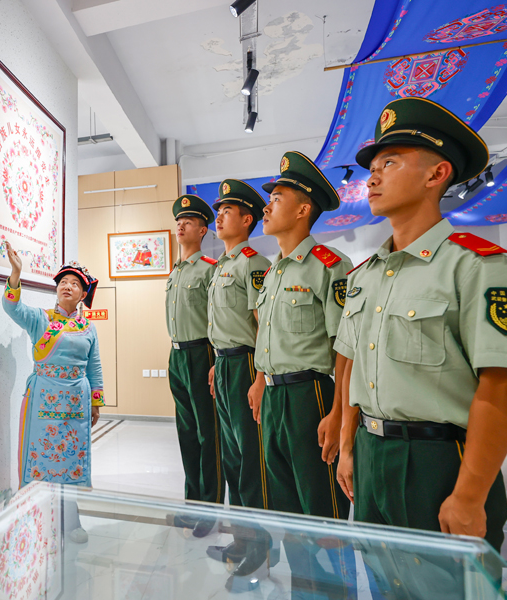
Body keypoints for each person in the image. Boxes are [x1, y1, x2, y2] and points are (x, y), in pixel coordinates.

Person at [334, 97, 507, 599]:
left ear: (436, 173)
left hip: (440, 462)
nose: (372, 178)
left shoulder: (477, 266)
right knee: (383, 584)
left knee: (449, 591)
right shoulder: (365, 277)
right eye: (372, 168)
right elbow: (355, 373)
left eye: (389, 164)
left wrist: (470, 494)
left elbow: (501, 387)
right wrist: (351, 448)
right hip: (374, 459)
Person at [250, 152, 355, 597]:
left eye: (276, 196)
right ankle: (302, 591)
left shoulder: (330, 266)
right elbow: (265, 336)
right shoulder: (273, 272)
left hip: (311, 396)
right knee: (287, 514)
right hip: (274, 399)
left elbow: (345, 351)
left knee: (322, 516)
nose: (267, 206)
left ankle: (333, 592)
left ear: (303, 209)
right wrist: (258, 381)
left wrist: (339, 415)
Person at [2, 241, 104, 542]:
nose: (67, 287)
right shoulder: (42, 319)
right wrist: (16, 274)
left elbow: (94, 366)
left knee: (71, 460)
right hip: (43, 401)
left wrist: (96, 402)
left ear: (83, 295)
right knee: (42, 460)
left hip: (75, 402)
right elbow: (12, 306)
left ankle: (71, 522)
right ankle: (37, 519)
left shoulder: (88, 328)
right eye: (63, 282)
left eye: (74, 284)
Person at [204, 180, 273, 593]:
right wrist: (215, 361)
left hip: (248, 365)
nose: (220, 216)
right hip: (226, 364)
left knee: (251, 460)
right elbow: (220, 327)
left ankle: (261, 549)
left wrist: (261, 375)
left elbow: (263, 326)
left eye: (227, 210)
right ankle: (242, 538)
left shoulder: (254, 263)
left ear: (247, 219)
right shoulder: (221, 267)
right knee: (231, 458)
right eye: (219, 210)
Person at [164, 194, 223, 537]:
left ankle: (211, 509)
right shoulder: (176, 271)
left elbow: (216, 319)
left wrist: (214, 358)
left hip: (202, 355)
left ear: (203, 230)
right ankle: (192, 503)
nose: (180, 225)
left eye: (188, 221)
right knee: (186, 434)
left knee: (207, 434)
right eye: (178, 221)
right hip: (177, 356)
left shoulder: (210, 270)